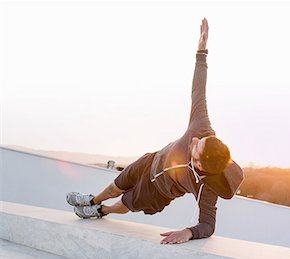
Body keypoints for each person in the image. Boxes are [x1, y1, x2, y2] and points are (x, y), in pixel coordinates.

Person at [66, 18, 243, 245]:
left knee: (126, 202)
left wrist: (188, 232)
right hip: (153, 160)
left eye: (196, 147)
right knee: (118, 183)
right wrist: (202, 52)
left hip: (158, 191)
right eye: (200, 140)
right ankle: (92, 200)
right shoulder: (203, 127)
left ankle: (102, 210)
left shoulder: (208, 187)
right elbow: (199, 90)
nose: (195, 139)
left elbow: (208, 225)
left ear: (199, 164)